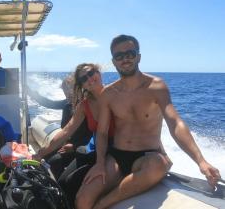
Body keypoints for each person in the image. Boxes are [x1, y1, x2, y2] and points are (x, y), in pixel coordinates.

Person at [76, 34, 222, 209]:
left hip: (147, 156)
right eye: (119, 56)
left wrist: (201, 161)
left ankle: (103, 204)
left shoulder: (157, 87)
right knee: (83, 199)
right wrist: (100, 164)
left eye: (130, 53)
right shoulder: (109, 94)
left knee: (157, 166)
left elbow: (175, 123)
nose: (125, 59)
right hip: (116, 157)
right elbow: (102, 132)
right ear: (114, 61)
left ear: (139, 56)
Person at [28, 74, 92, 177]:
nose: (68, 96)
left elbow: (95, 134)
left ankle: (60, 185)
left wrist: (75, 146)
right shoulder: (67, 104)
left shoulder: (89, 107)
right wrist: (31, 93)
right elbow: (49, 103)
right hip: (67, 144)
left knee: (55, 161)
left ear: (79, 88)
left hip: (83, 147)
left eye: (70, 92)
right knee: (46, 158)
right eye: (65, 93)